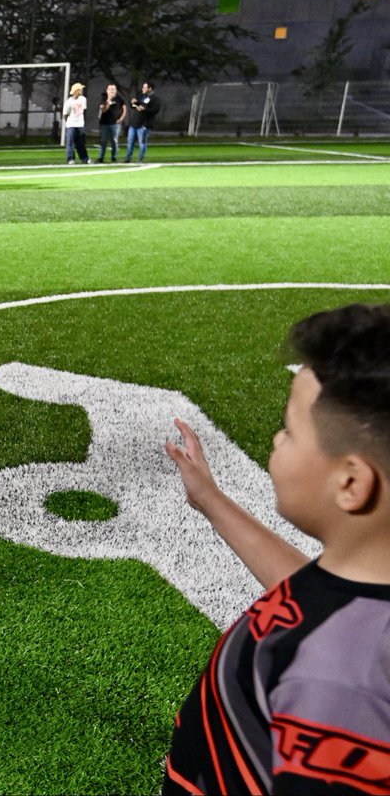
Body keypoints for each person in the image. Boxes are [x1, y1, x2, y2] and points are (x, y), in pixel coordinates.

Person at [161, 302, 390, 794]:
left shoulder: (332, 689)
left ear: (352, 482)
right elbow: (326, 605)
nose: (275, 439)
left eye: (289, 430)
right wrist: (211, 501)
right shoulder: (365, 599)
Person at [124, 81, 161, 163]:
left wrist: (145, 109)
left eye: (144, 87)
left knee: (142, 144)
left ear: (150, 88)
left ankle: (140, 159)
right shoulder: (141, 96)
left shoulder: (155, 99)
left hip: (144, 125)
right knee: (130, 143)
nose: (142, 89)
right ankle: (127, 158)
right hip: (134, 124)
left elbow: (155, 110)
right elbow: (136, 106)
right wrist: (133, 103)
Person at [95, 83, 126, 163]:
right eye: (110, 89)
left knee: (114, 141)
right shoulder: (104, 98)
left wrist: (121, 118)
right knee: (103, 141)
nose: (112, 91)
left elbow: (124, 108)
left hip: (115, 124)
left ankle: (114, 157)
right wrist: (109, 100)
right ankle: (101, 157)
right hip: (104, 123)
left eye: (113, 89)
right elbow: (104, 110)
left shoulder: (119, 98)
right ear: (107, 90)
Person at [63, 82, 89, 164]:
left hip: (80, 125)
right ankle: (70, 159)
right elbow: (65, 114)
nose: (81, 91)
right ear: (76, 91)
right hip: (71, 125)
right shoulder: (69, 102)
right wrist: (69, 122)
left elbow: (83, 110)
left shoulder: (83, 99)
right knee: (70, 143)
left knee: (81, 143)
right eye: (80, 90)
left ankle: (84, 158)